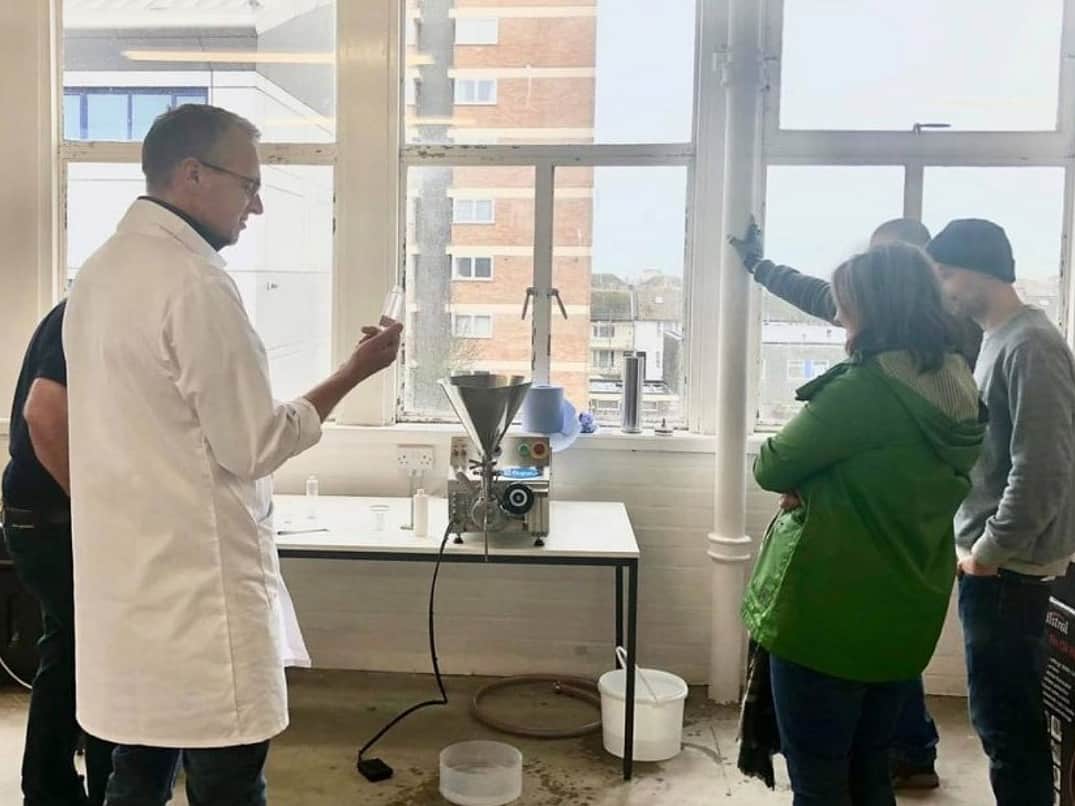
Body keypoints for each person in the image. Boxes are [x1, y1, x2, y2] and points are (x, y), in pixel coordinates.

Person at [62, 104, 403, 806]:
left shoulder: (99, 273)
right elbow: (253, 445)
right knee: (226, 781)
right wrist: (355, 372)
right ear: (193, 175)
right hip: (198, 593)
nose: (258, 205)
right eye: (249, 185)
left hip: (129, 586)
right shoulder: (194, 282)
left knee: (138, 770)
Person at [730, 216, 972, 789]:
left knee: (818, 777)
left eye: (847, 306)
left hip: (829, 612)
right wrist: (762, 267)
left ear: (876, 310)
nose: (839, 317)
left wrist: (811, 483)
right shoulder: (956, 380)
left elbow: (771, 467)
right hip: (904, 611)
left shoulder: (865, 390)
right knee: (869, 770)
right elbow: (891, 475)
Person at [928, 218, 1075, 806]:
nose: (944, 290)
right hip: (995, 565)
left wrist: (987, 555)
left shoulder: (1032, 345)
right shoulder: (997, 339)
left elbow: (1043, 471)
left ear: (977, 269)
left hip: (1010, 571)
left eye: (946, 275)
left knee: (1006, 724)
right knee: (1000, 720)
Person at [2, 301, 116, 805]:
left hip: (41, 518)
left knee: (71, 653)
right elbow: (42, 415)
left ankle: (51, 788)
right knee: (101, 657)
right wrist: (95, 507)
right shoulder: (98, 305)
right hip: (54, 523)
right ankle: (100, 789)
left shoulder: (90, 306)